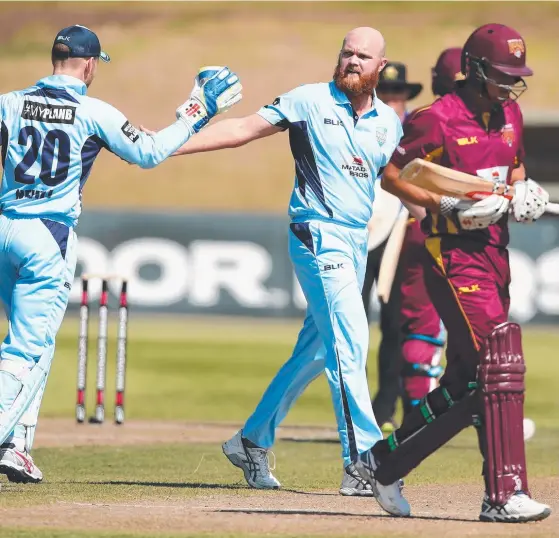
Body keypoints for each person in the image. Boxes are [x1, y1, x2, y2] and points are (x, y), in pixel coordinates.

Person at [163, 27, 410, 516]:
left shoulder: (388, 122)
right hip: (316, 232)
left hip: (355, 241)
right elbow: (242, 131)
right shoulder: (308, 100)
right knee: (350, 342)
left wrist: (457, 204)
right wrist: (170, 143)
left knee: (319, 351)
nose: (352, 61)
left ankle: (251, 441)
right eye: (347, 53)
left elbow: (403, 183)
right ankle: (364, 461)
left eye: (363, 56)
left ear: (380, 66)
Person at [0, 25, 242, 484]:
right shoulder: (92, 111)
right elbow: (148, 152)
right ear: (90, 65)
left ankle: (17, 446)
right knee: (27, 349)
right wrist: (198, 112)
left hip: (5, 225)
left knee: (37, 343)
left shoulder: (10, 102)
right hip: (48, 236)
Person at [369, 24, 551, 522]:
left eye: (517, 75)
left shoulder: (509, 112)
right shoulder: (438, 119)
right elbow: (391, 176)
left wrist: (524, 191)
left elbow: (512, 172)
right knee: (500, 361)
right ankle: (503, 495)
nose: (511, 85)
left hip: (496, 252)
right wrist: (443, 203)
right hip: (451, 253)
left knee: (470, 382)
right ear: (473, 70)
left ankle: (384, 462)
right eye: (502, 74)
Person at [398, 48, 463, 415]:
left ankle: (466, 407)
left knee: (470, 326)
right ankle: (419, 413)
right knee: (424, 324)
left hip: (465, 234)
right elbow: (394, 175)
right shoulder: (430, 119)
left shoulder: (484, 121)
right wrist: (430, 216)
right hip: (430, 231)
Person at [361, 62, 423, 433]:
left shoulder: (416, 129)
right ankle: (359, 407)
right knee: (353, 324)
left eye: (397, 94)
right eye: (386, 93)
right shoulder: (363, 124)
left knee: (397, 323)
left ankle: (386, 404)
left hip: (400, 229)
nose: (392, 100)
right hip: (360, 228)